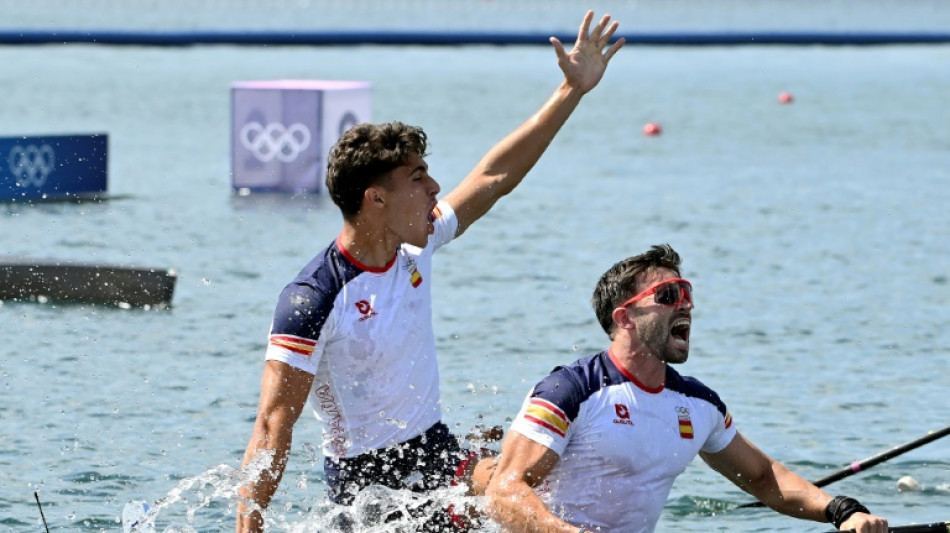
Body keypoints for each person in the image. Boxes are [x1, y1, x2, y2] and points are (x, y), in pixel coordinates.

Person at [235, 11, 626, 533]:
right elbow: (272, 427)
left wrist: (570, 91)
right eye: (418, 178)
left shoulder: (413, 246)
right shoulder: (313, 298)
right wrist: (247, 524)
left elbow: (496, 175)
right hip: (366, 486)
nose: (436, 187)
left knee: (522, 488)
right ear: (375, 199)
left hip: (439, 452)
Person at [485, 244, 890, 533]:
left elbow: (765, 479)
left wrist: (842, 510)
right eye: (667, 295)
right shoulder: (570, 391)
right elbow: (504, 493)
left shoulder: (699, 405)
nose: (686, 305)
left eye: (687, 293)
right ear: (625, 318)